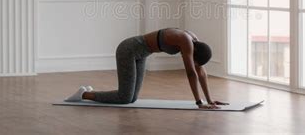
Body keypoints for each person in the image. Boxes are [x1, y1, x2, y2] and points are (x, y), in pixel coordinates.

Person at [64, 28, 228, 109]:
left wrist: (209, 100)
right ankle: (84, 94)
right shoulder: (186, 41)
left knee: (132, 98)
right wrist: (199, 103)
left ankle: (90, 91)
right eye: (196, 61)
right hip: (128, 50)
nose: (195, 63)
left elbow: (199, 70)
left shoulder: (194, 40)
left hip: (140, 55)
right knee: (124, 98)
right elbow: (191, 72)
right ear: (196, 53)